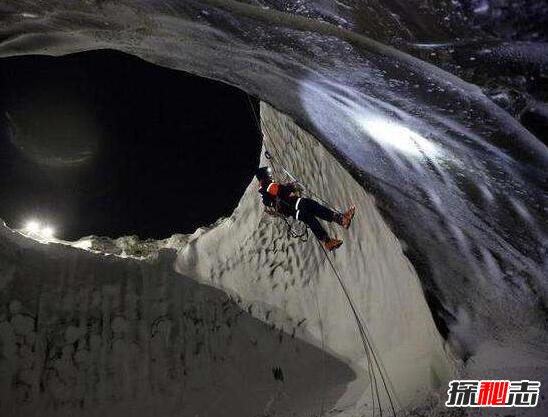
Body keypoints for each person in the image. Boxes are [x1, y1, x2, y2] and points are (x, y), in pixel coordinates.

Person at [255, 166, 355, 251]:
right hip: (292, 205)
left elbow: (275, 197)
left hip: (291, 207)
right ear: (264, 176)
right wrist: (291, 186)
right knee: (312, 211)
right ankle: (334, 231)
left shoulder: (263, 190)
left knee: (312, 212)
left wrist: (288, 188)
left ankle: (338, 225)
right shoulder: (266, 184)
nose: (270, 175)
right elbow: (280, 190)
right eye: (268, 173)